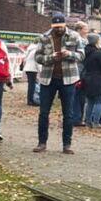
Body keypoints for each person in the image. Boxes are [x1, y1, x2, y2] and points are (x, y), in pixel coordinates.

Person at [31, 14, 83, 154]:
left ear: (65, 25)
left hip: (69, 78)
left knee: (68, 113)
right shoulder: (44, 37)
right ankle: (42, 143)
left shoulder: (74, 36)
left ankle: (67, 144)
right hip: (48, 78)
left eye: (61, 27)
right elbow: (38, 57)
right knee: (43, 112)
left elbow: (82, 55)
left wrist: (69, 55)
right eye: (56, 27)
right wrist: (51, 58)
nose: (58, 29)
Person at [79, 32, 101, 128]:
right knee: (99, 102)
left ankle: (87, 121)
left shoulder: (85, 52)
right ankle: (95, 121)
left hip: (88, 77)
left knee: (90, 101)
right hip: (98, 79)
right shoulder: (98, 53)